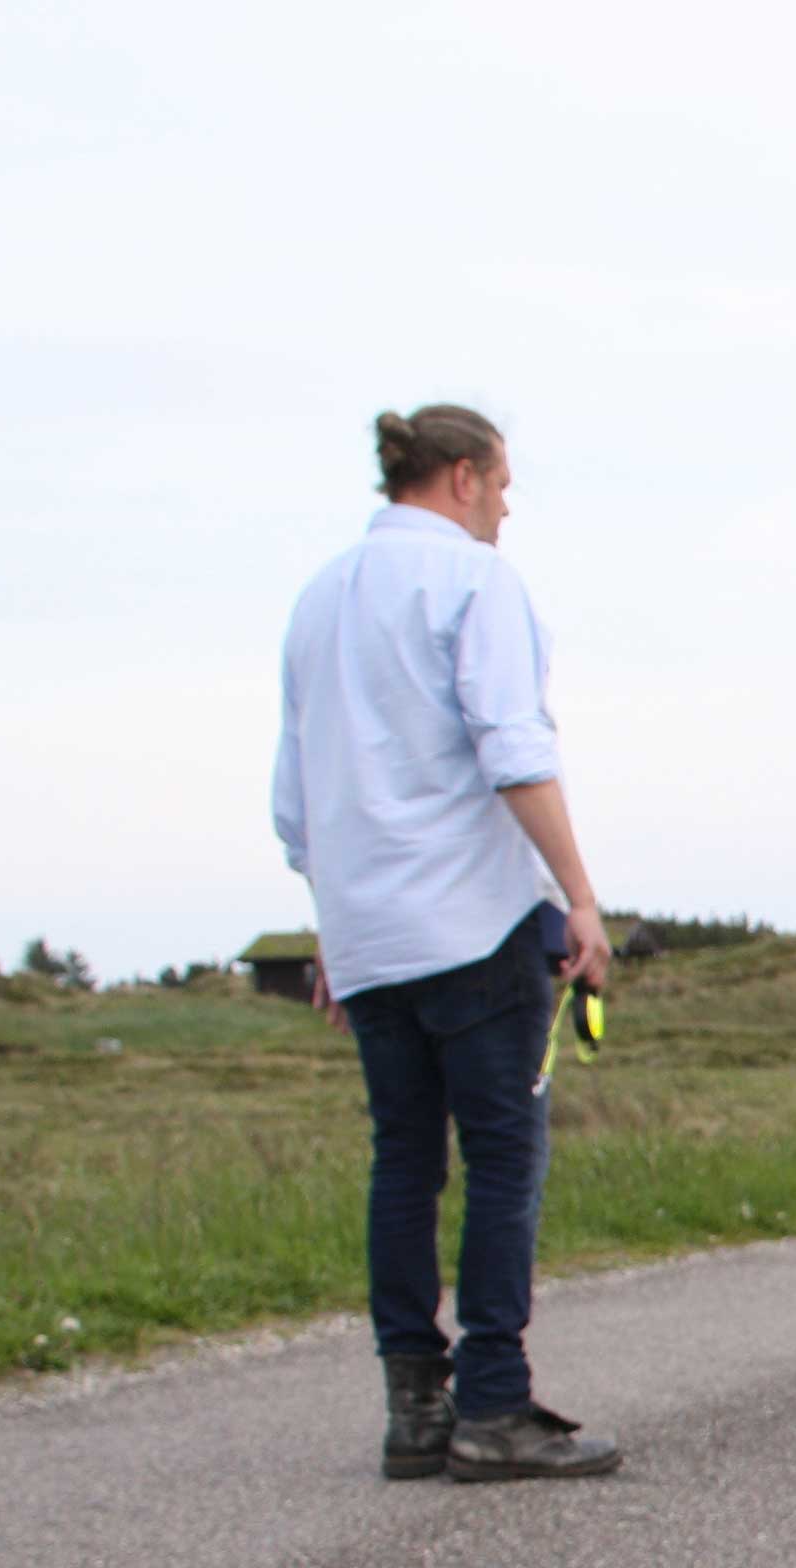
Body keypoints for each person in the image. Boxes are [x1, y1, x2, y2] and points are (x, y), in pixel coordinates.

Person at [272, 402, 624, 1481]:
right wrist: (579, 894)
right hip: (472, 924)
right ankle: (495, 1403)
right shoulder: (476, 584)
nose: (510, 504)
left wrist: (334, 921)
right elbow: (512, 746)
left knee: (405, 1163)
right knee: (505, 1160)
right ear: (463, 475)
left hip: (370, 934)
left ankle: (415, 1410)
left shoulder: (319, 599)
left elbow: (297, 794)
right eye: (505, 481)